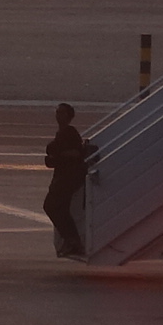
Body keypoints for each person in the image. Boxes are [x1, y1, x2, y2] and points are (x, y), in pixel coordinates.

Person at [41, 101, 89, 259]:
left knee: (51, 206)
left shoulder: (69, 132)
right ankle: (72, 240)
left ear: (69, 116)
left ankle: (72, 240)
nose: (58, 115)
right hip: (65, 176)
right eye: (57, 112)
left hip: (68, 177)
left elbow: (75, 153)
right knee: (59, 208)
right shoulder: (63, 132)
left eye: (61, 113)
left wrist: (57, 157)